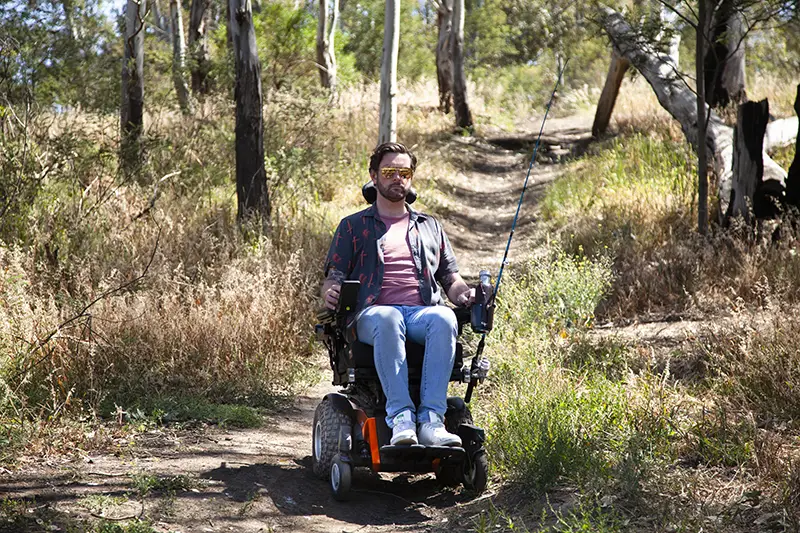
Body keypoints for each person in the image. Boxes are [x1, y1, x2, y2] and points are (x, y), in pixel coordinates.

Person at [321, 142, 474, 447]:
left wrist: (466, 294)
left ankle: (431, 420)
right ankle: (401, 416)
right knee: (389, 316)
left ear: (411, 177)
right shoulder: (353, 227)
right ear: (374, 176)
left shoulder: (429, 226)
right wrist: (330, 292)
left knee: (444, 318)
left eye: (404, 172)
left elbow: (451, 279)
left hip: (421, 313)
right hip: (371, 313)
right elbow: (332, 277)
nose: (397, 178)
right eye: (389, 171)